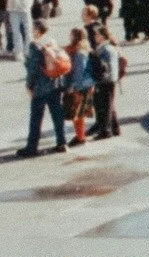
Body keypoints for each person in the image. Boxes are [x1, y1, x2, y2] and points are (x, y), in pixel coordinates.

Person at [19, 20, 69, 156]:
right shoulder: (52, 41)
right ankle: (62, 142)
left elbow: (33, 69)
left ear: (37, 30)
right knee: (57, 114)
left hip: (41, 86)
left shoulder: (35, 45)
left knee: (36, 117)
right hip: (56, 84)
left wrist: (29, 85)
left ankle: (32, 146)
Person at [88, 23, 123, 138]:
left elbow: (102, 66)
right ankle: (115, 128)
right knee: (110, 105)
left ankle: (105, 131)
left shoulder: (104, 49)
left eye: (97, 35)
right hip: (111, 79)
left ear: (102, 36)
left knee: (105, 106)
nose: (95, 37)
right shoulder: (111, 47)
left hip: (105, 80)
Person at [63, 27, 96, 142]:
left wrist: (73, 87)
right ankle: (81, 135)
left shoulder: (79, 52)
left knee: (76, 113)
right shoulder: (86, 48)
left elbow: (79, 71)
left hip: (80, 86)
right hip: (87, 84)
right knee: (81, 113)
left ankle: (80, 137)